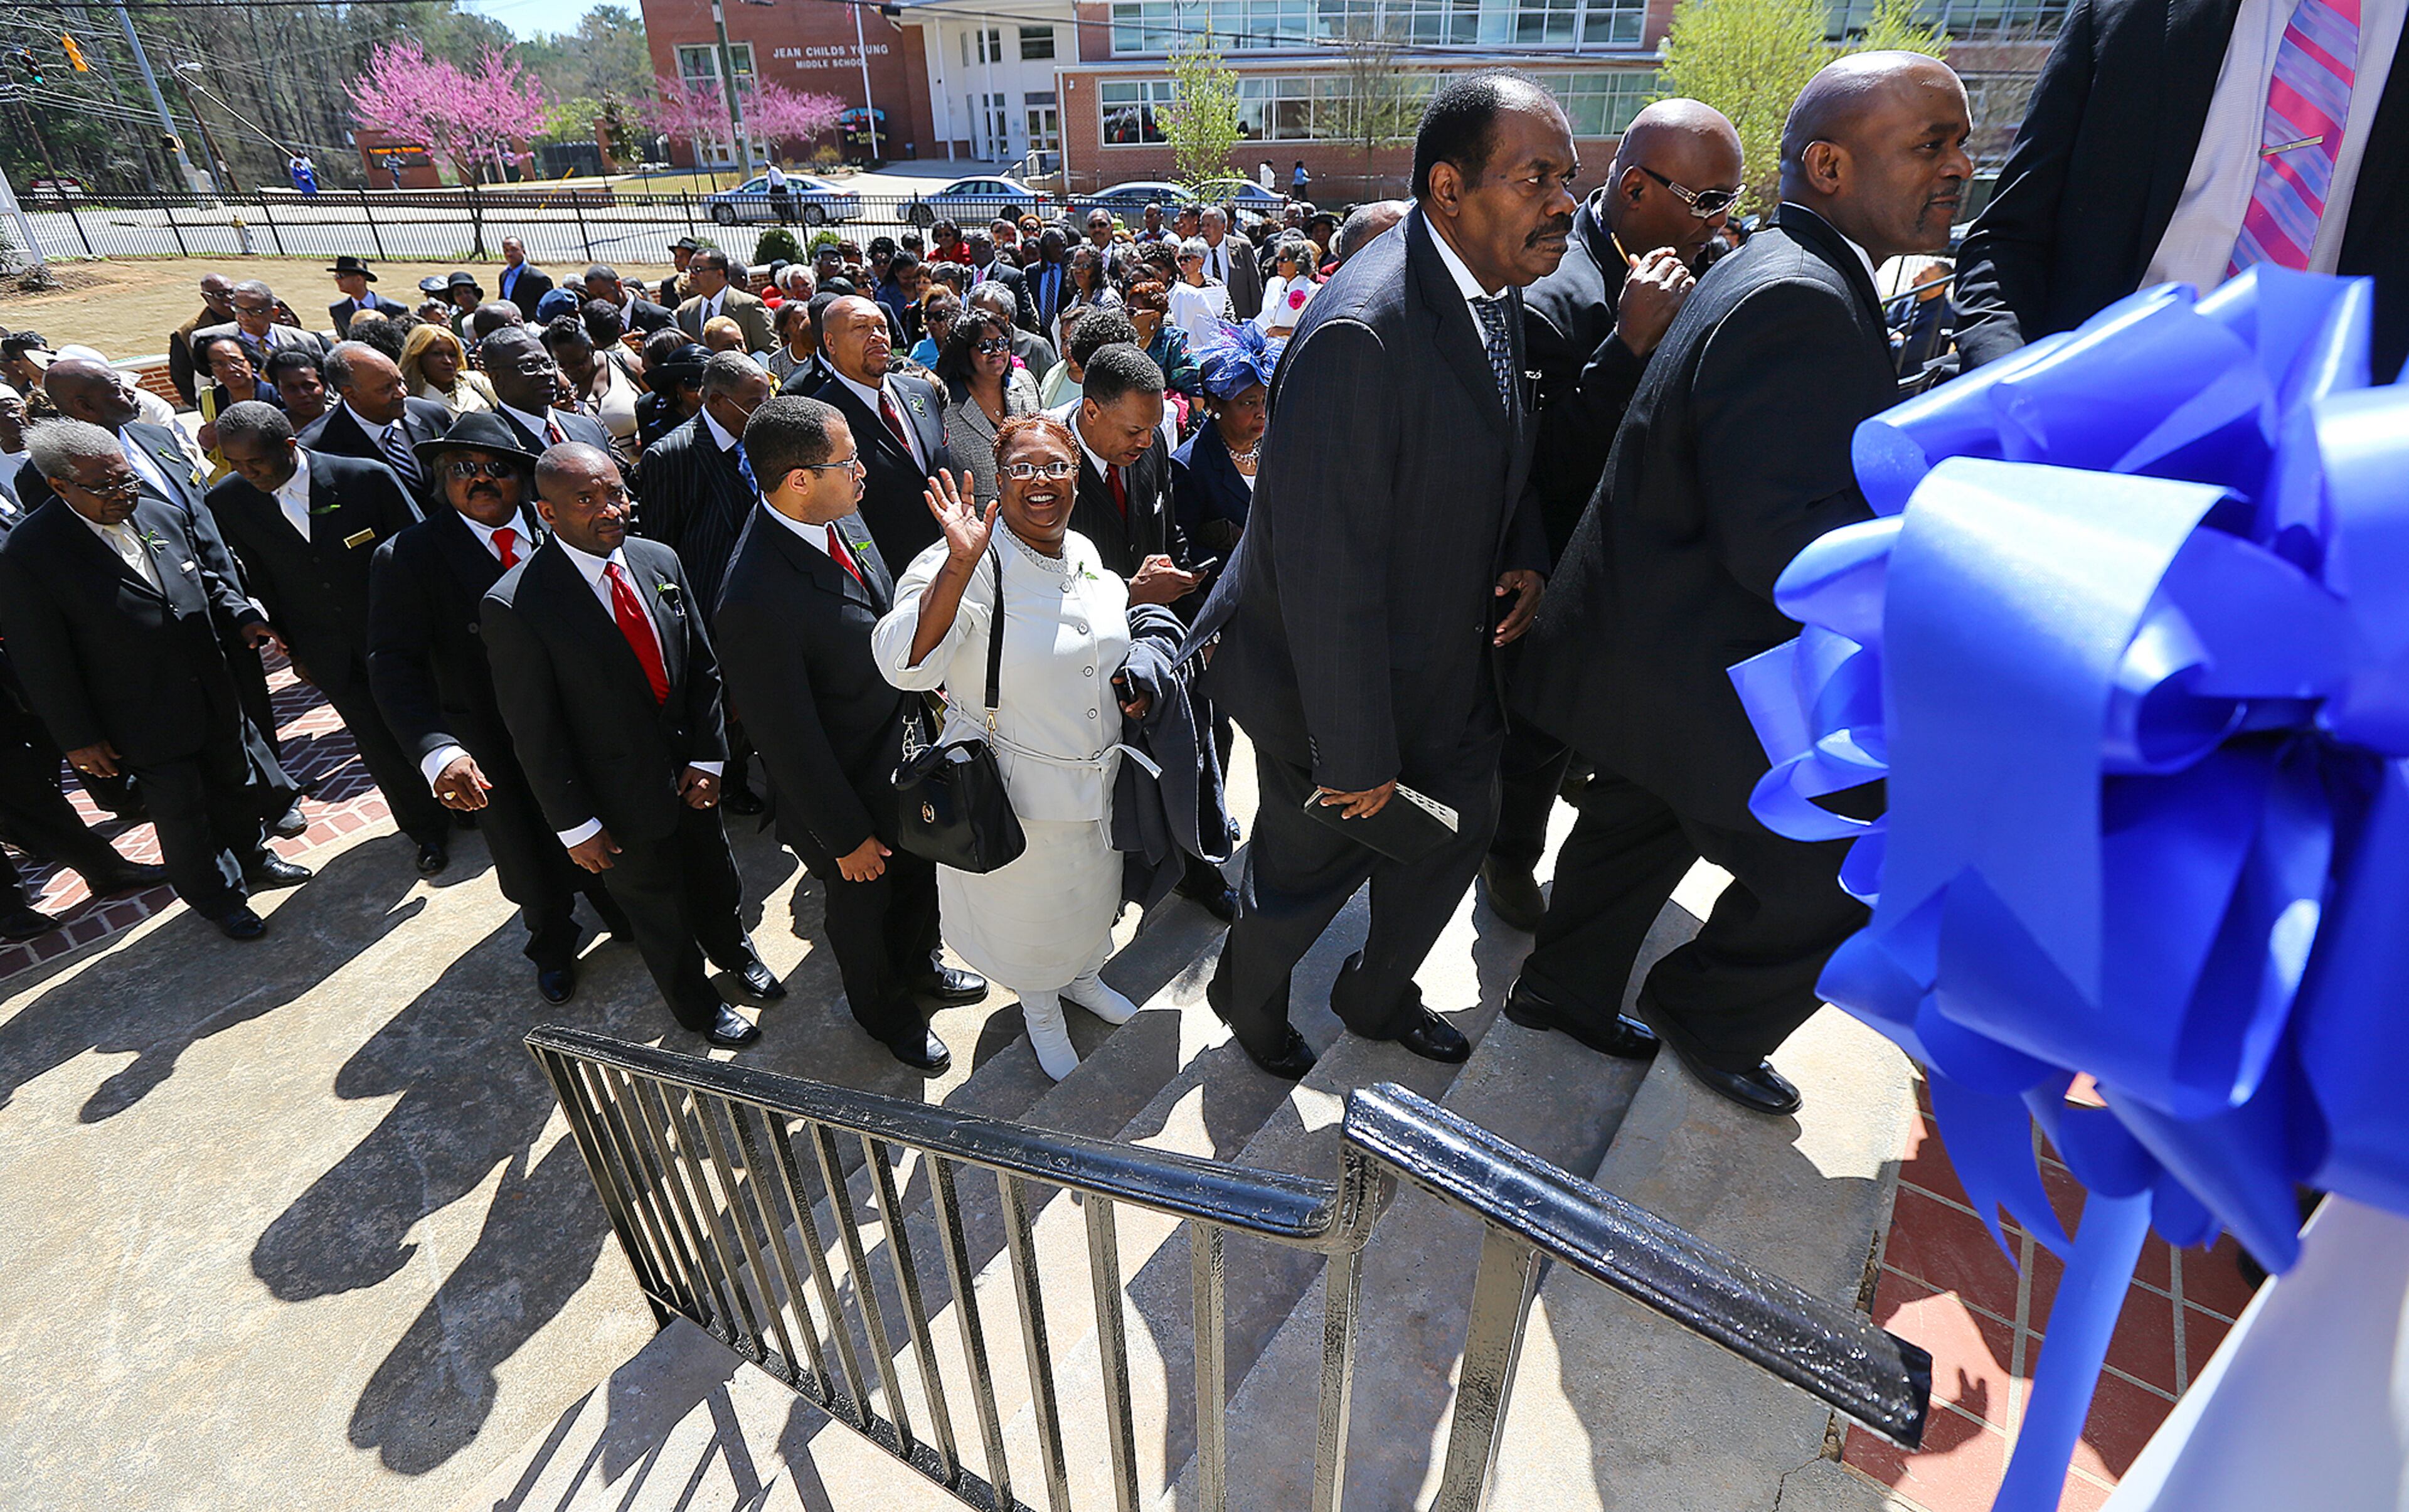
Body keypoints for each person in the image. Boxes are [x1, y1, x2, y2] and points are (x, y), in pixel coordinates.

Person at [1512, 53, 1973, 1116]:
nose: (1960, 166)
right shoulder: (1800, 297)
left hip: (1646, 647)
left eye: (1959, 143)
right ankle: (1708, 1011)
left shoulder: (1775, 263)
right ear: (1827, 164)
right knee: (1853, 874)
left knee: (1636, 822)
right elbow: (1783, 546)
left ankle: (1557, 990)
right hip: (1694, 665)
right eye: (1931, 145)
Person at [1196, 72, 1567, 1081]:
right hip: (1336, 694)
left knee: (1462, 830)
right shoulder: (1364, 331)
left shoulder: (1496, 299)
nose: (1564, 201)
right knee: (1300, 880)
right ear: (1449, 189)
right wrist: (1355, 753)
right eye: (1536, 177)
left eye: (1568, 177)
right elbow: (1327, 572)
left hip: (1449, 669)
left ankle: (1375, 993)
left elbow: (1504, 453)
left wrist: (1525, 550)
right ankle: (1249, 995)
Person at [1480, 98, 1738, 934]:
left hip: (1639, 547)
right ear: (1635, 188)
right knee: (1537, 730)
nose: (1722, 220)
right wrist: (1627, 347)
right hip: (1552, 562)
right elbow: (1539, 462)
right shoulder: (1559, 291)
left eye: (1731, 199)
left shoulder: (1683, 262)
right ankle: (1509, 859)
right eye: (1707, 201)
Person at [871, 413, 1153, 1078]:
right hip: (1014, 792)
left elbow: (1092, 637)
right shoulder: (965, 558)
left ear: (1075, 476)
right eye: (1022, 468)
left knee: (1088, 900)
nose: (1040, 482)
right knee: (1033, 917)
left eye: (1055, 466)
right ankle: (1041, 1009)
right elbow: (900, 664)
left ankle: (1083, 976)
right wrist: (960, 565)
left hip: (1094, 783)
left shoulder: (1082, 549)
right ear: (1000, 481)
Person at [715, 397, 986, 1072]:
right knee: (866, 913)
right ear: (799, 478)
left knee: (921, 878)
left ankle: (923, 966)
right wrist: (845, 838)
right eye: (849, 461)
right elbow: (787, 739)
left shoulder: (841, 514)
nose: (863, 471)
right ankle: (885, 1012)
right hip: (844, 795)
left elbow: (883, 615)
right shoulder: (753, 595)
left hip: (900, 757)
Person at [481, 442, 782, 1048]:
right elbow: (535, 733)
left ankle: (735, 954)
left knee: (717, 879)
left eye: (615, 492)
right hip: (615, 799)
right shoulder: (517, 604)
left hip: (692, 780)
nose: (609, 508)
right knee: (659, 913)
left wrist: (708, 758)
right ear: (547, 513)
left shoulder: (657, 559)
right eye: (585, 500)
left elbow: (703, 670)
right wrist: (575, 826)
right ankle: (696, 1006)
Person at [1954, 0, 2409, 380]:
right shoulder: (2129, 11)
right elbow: (2009, 238)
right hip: (2088, 411)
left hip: (2338, 445)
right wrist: (2011, 390)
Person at [0, 420, 312, 940]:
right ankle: (218, 899)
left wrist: (242, 615)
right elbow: (40, 659)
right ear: (60, 486)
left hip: (210, 689)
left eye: (127, 480)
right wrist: (78, 738)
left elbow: (204, 579)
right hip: (134, 713)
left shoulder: (158, 514)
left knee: (236, 784)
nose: (124, 494)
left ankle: (253, 858)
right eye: (105, 487)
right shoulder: (31, 555)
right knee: (182, 812)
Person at [368, 412, 633, 1003]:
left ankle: (622, 910)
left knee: (604, 830)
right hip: (490, 741)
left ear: (527, 484)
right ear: (442, 479)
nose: (482, 481)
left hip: (582, 726)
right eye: (465, 470)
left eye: (497, 469)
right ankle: (552, 943)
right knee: (529, 857)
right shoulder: (408, 556)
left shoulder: (564, 529)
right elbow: (392, 664)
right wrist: (437, 750)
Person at [204, 402, 453, 876]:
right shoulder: (230, 502)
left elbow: (421, 555)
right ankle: (425, 830)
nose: (245, 472)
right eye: (234, 464)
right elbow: (261, 578)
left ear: (290, 447)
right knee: (378, 742)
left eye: (255, 461)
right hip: (329, 650)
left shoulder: (365, 478)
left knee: (434, 720)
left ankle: (474, 807)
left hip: (404, 637)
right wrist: (296, 650)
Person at [807, 295, 952, 569]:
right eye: (861, 328)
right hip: (888, 575)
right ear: (830, 343)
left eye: (882, 327)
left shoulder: (920, 391)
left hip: (951, 560)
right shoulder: (821, 417)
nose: (877, 336)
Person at [1173, 321, 1279, 563]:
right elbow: (1185, 552)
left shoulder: (1276, 449)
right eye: (1248, 403)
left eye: (1265, 400)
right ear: (1216, 404)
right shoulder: (1189, 467)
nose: (1262, 412)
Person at [297, 342, 450, 503]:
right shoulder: (318, 448)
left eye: (400, 382)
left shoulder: (430, 414)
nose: (402, 393)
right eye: (386, 388)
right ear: (350, 394)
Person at [933, 308, 1041, 511]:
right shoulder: (945, 404)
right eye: (985, 346)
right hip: (979, 524)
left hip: (1033, 512)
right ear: (964, 352)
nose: (997, 351)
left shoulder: (1026, 383)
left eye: (1002, 343)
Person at [477, 326, 615, 457]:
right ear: (498, 379)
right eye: (530, 367)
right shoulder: (490, 447)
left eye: (548, 364)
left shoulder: (589, 427)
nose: (545, 373)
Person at [545, 317, 642, 465]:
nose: (571, 370)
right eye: (563, 364)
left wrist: (646, 430)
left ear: (591, 347)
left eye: (579, 363)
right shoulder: (555, 385)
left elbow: (663, 402)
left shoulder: (625, 364)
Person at [196, 280, 324, 372]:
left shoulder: (304, 340)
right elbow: (204, 390)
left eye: (254, 312)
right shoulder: (211, 341)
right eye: (238, 309)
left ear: (274, 313)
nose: (244, 317)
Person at [676, 249, 775, 354]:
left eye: (698, 269)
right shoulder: (686, 311)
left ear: (720, 273)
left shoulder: (749, 306)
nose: (691, 276)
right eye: (690, 270)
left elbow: (770, 350)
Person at [1123, 281, 1201, 403]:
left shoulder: (1174, 343)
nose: (1126, 317)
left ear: (1154, 317)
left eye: (1132, 312)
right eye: (1125, 311)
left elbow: (1196, 399)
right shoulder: (1124, 343)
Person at [170, 274, 240, 407]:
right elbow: (183, 378)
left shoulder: (251, 315)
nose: (229, 298)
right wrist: (206, 407)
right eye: (220, 295)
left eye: (232, 292)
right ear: (205, 297)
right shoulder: (188, 333)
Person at [400, 324, 492, 416]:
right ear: (418, 357)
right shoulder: (409, 398)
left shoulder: (476, 382)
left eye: (452, 355)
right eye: (437, 354)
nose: (448, 361)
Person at [969, 280, 1058, 376]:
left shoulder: (1037, 348)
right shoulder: (967, 346)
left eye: (987, 316)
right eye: (975, 314)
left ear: (1005, 319)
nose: (980, 320)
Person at [1197, 208, 1263, 321]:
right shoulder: (1195, 251)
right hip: (1205, 321)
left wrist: (1257, 321)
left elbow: (1255, 287)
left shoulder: (1243, 248)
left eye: (1208, 225)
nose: (1204, 229)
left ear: (1222, 227)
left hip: (1239, 322)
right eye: (1202, 225)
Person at [1169, 239, 1234, 353]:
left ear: (1201, 261)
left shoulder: (1215, 285)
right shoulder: (1176, 287)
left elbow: (1229, 314)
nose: (1183, 263)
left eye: (1188, 258)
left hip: (1211, 344)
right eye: (1180, 259)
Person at [1255, 237, 1320, 338]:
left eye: (1284, 259)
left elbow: (1313, 329)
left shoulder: (1312, 291)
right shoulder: (1273, 283)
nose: (1279, 264)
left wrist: (1285, 331)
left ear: (1299, 261)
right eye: (1278, 259)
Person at [328, 256, 407, 339]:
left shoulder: (395, 309)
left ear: (359, 280)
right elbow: (345, 341)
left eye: (340, 276)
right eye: (335, 276)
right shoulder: (338, 310)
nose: (337, 280)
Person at [586, 265, 677, 336]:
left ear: (618, 285)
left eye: (602, 294)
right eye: (594, 297)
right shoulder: (597, 322)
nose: (599, 301)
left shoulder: (659, 316)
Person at [265, 349, 331, 432]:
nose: (302, 394)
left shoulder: (344, 420)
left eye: (309, 386)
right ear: (279, 390)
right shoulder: (271, 431)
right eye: (291, 388)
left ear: (324, 385)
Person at [767, 299, 821, 385]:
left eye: (804, 319)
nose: (800, 325)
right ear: (784, 328)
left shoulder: (821, 353)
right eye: (794, 322)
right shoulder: (776, 361)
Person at [908, 284, 959, 369]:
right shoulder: (921, 349)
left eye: (939, 316)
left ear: (955, 316)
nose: (932, 322)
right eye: (928, 316)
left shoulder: (965, 348)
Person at [496, 238, 553, 314]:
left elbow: (548, 308)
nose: (509, 254)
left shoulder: (539, 279)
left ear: (523, 251)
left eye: (514, 249)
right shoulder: (504, 276)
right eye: (506, 250)